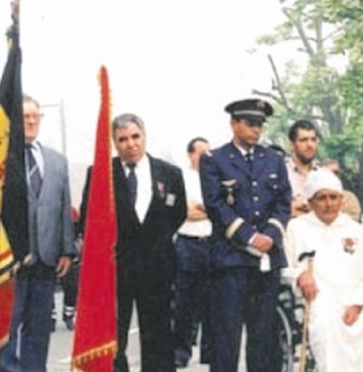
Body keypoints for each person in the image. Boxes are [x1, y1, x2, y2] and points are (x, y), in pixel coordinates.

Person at [80, 113, 186, 372]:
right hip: (116, 268)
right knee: (115, 336)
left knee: (158, 335)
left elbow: (178, 213)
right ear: (115, 143)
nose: (131, 144)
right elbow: (88, 218)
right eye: (123, 139)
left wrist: (154, 244)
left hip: (157, 268)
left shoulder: (169, 173)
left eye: (135, 137)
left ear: (145, 136)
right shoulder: (100, 174)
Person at [199, 98, 291, 372]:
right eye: (250, 123)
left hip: (267, 260)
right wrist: (250, 237)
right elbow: (215, 205)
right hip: (231, 261)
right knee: (226, 337)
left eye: (260, 124)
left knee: (263, 337)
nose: (256, 130)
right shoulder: (213, 160)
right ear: (234, 124)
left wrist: (271, 236)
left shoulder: (274, 159)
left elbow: (283, 201)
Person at [286, 168, 363, 372]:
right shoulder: (297, 228)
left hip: (359, 303)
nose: (329, 204)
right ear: (311, 202)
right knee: (328, 322)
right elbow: (284, 268)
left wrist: (357, 305)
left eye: (333, 197)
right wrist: (300, 275)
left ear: (341, 200)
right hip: (322, 303)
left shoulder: (355, 229)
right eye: (321, 198)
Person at [0, 95, 76, 372]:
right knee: (7, 326)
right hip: (11, 262)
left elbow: (62, 208)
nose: (31, 122)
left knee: (39, 327)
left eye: (35, 116)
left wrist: (67, 250)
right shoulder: (3, 160)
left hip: (46, 259)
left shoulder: (57, 161)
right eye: (24, 117)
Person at [173, 137, 213, 368]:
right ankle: (181, 351)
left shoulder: (214, 177)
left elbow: (216, 209)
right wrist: (197, 210)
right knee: (184, 302)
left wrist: (202, 209)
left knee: (211, 301)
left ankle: (209, 351)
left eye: (209, 152)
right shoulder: (181, 178)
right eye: (201, 152)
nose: (206, 157)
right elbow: (182, 211)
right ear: (190, 154)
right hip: (187, 243)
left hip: (211, 243)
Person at [286, 119, 319, 217]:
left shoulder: (324, 176)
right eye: (303, 140)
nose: (310, 145)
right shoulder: (280, 173)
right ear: (292, 145)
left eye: (313, 139)